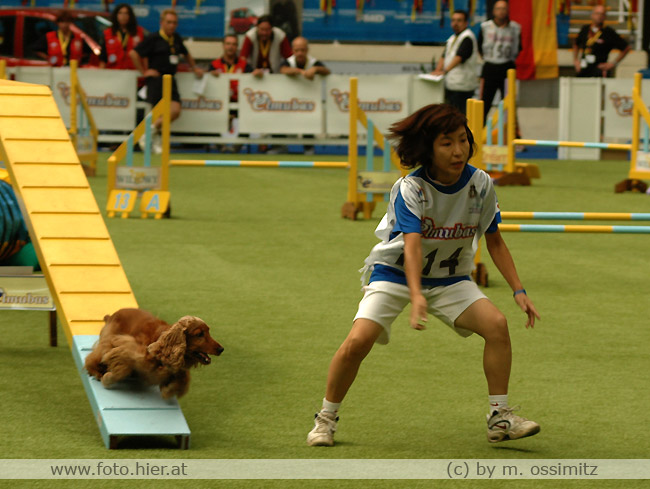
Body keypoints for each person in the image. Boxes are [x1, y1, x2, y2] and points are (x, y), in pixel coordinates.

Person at [306, 103, 541, 447]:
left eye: (462, 140)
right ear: (428, 148)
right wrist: (416, 294)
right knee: (357, 342)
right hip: (397, 275)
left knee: (497, 325)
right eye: (446, 143)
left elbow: (495, 240)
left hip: (451, 279)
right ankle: (325, 419)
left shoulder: (480, 184)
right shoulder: (410, 189)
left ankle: (500, 418)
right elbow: (413, 246)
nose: (458, 150)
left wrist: (519, 290)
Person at [130, 9, 204, 153]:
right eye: (169, 22)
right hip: (156, 80)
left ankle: (147, 133)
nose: (172, 25)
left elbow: (186, 53)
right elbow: (134, 53)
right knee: (157, 113)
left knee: (175, 110)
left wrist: (194, 67)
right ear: (161, 23)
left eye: (174, 23)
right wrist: (144, 72)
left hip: (171, 80)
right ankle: (155, 141)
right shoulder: (153, 38)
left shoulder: (176, 38)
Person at [478, 0, 521, 123]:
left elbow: (519, 48)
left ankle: (512, 133)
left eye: (504, 8)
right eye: (498, 8)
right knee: (484, 102)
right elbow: (480, 46)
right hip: (490, 67)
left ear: (508, 11)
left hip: (507, 67)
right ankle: (479, 132)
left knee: (510, 102)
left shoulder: (515, 28)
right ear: (493, 11)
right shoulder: (485, 27)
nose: (501, 11)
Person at [432, 10, 479, 114]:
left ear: (466, 22)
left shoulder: (468, 37)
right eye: (453, 20)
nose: (455, 23)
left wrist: (444, 71)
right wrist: (436, 71)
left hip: (463, 86)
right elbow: (444, 56)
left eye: (459, 20)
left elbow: (459, 57)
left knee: (459, 116)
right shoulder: (452, 38)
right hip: (451, 84)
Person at [573, 4, 630, 78]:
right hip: (584, 68)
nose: (599, 16)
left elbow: (626, 48)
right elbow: (576, 44)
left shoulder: (609, 32)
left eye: (602, 14)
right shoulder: (585, 29)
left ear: (605, 17)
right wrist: (576, 60)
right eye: (597, 13)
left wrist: (612, 64)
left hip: (599, 70)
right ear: (592, 15)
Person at [208, 34, 253, 102]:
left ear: (237, 47)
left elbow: (253, 81)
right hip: (219, 104)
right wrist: (210, 75)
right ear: (223, 46)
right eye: (228, 44)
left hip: (240, 104)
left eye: (234, 44)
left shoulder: (244, 65)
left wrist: (256, 74)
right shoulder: (214, 65)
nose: (230, 47)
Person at [100, 4, 145, 70]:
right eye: (120, 13)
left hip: (134, 72)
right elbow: (103, 58)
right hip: (113, 71)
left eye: (126, 13)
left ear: (130, 16)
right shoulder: (108, 33)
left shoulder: (139, 32)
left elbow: (145, 56)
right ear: (116, 15)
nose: (123, 16)